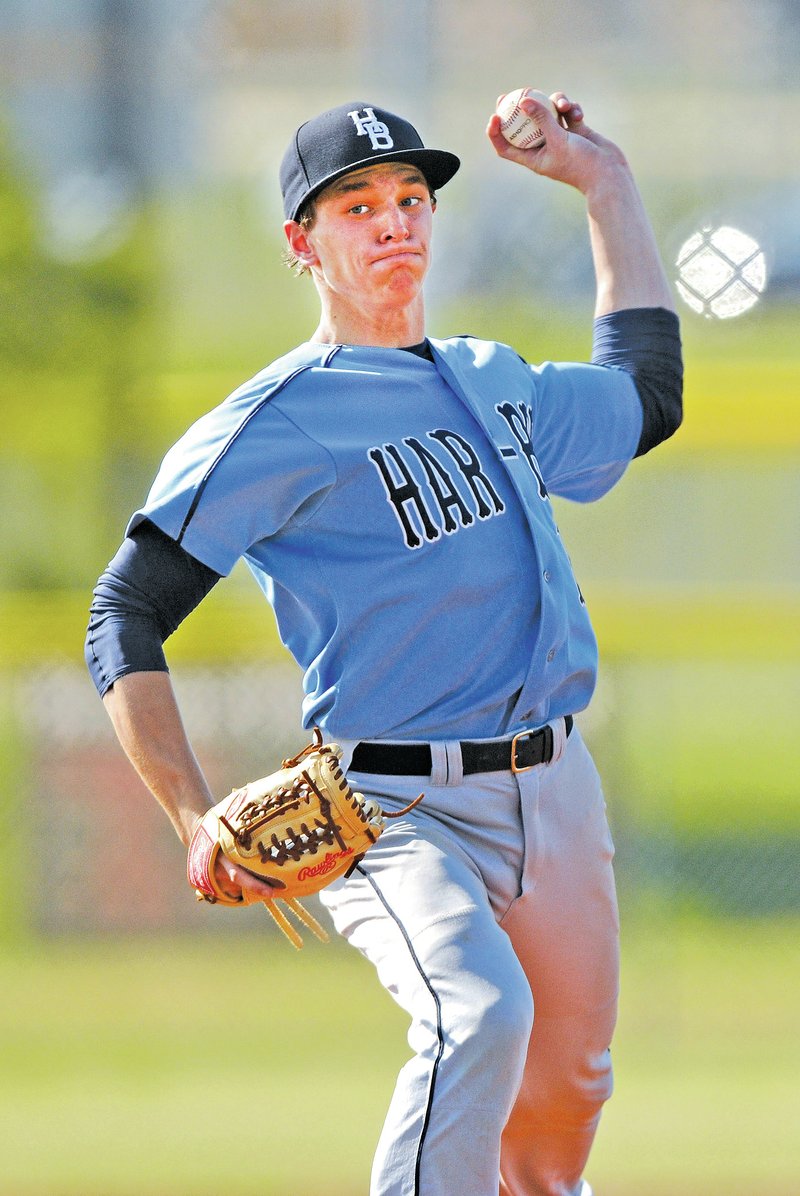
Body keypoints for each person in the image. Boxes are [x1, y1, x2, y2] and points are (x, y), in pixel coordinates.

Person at [86, 93, 682, 1196]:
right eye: (356, 205)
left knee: (559, 1120)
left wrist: (605, 186)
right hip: (393, 807)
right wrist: (189, 809)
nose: (393, 221)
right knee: (475, 1014)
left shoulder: (493, 376)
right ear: (300, 244)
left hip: (554, 784)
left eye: (409, 198)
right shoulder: (273, 419)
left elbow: (648, 394)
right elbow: (123, 611)